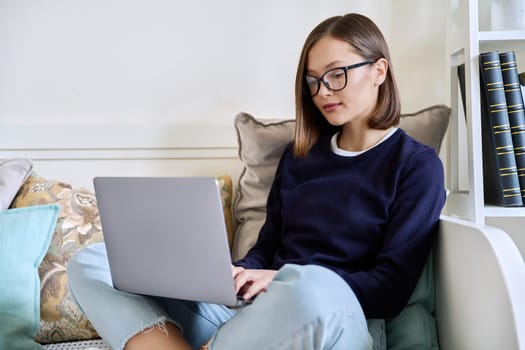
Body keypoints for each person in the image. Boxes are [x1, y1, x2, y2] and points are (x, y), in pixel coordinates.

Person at [67, 13, 446, 350]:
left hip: (332, 315)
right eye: (312, 81)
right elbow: (267, 247)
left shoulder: (416, 165)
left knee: (312, 287)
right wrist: (238, 271)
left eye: (336, 74)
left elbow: (390, 289)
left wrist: (284, 279)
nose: (322, 91)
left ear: (379, 71)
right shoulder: (299, 158)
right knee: (93, 262)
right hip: (254, 317)